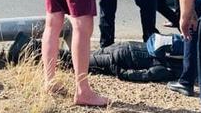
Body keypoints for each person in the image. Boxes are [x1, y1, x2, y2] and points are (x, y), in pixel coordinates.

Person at [10, 32, 185, 82]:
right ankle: (27, 49)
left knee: (75, 58)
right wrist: (121, 73)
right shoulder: (179, 67)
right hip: (118, 59)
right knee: (73, 62)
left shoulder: (181, 47)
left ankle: (28, 46)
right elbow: (150, 74)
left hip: (124, 46)